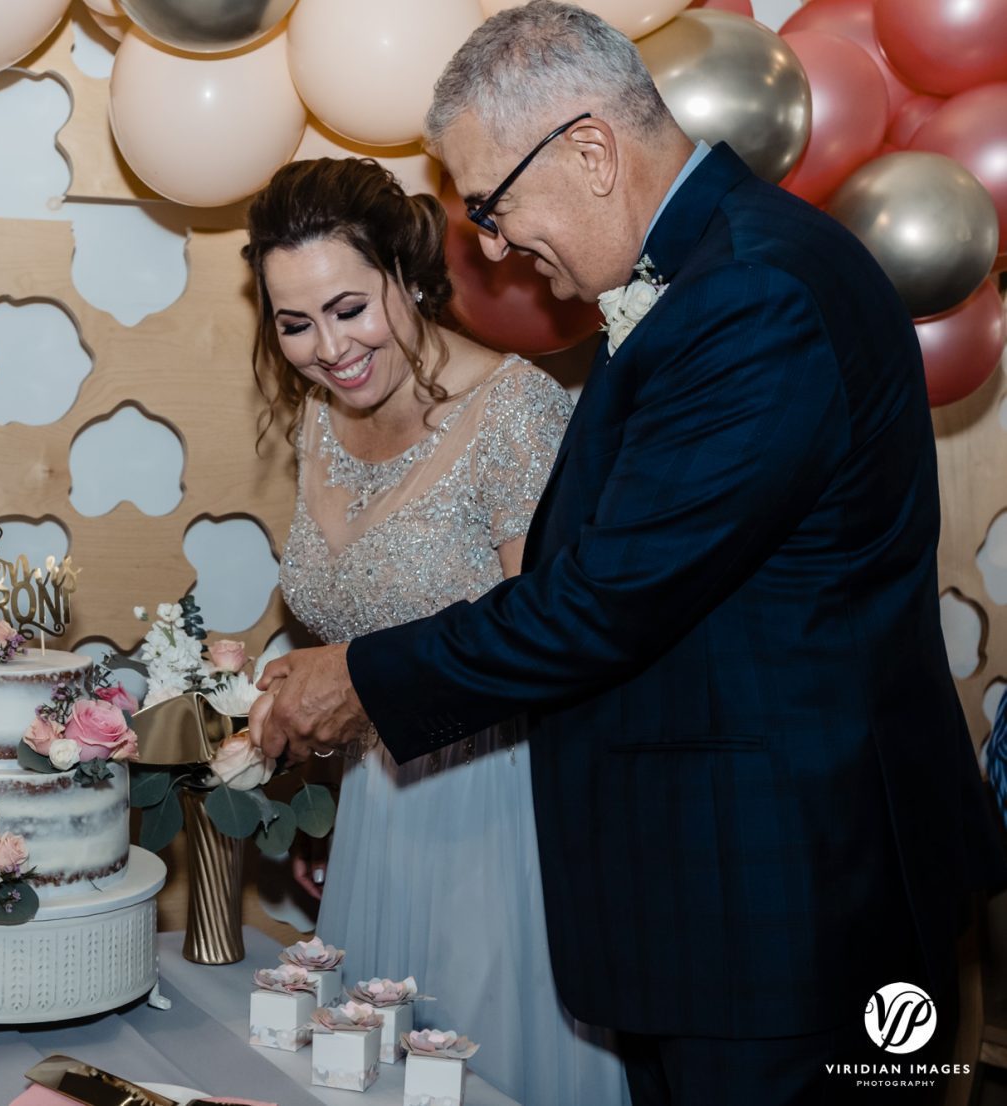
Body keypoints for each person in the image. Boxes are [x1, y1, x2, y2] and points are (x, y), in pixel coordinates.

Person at [248, 3, 1007, 1103]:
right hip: (718, 892)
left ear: (592, 150)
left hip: (788, 901)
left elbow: (601, 601)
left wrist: (360, 675)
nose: (496, 246)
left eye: (496, 206)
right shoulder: (703, 272)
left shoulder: (752, 295)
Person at [243, 156, 628, 1105]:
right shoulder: (318, 421)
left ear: (408, 276)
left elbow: (549, 645)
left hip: (500, 816)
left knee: (480, 1071)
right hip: (379, 811)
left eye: (349, 307)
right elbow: (344, 629)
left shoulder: (518, 412)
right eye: (294, 323)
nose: (328, 348)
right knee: (368, 1070)